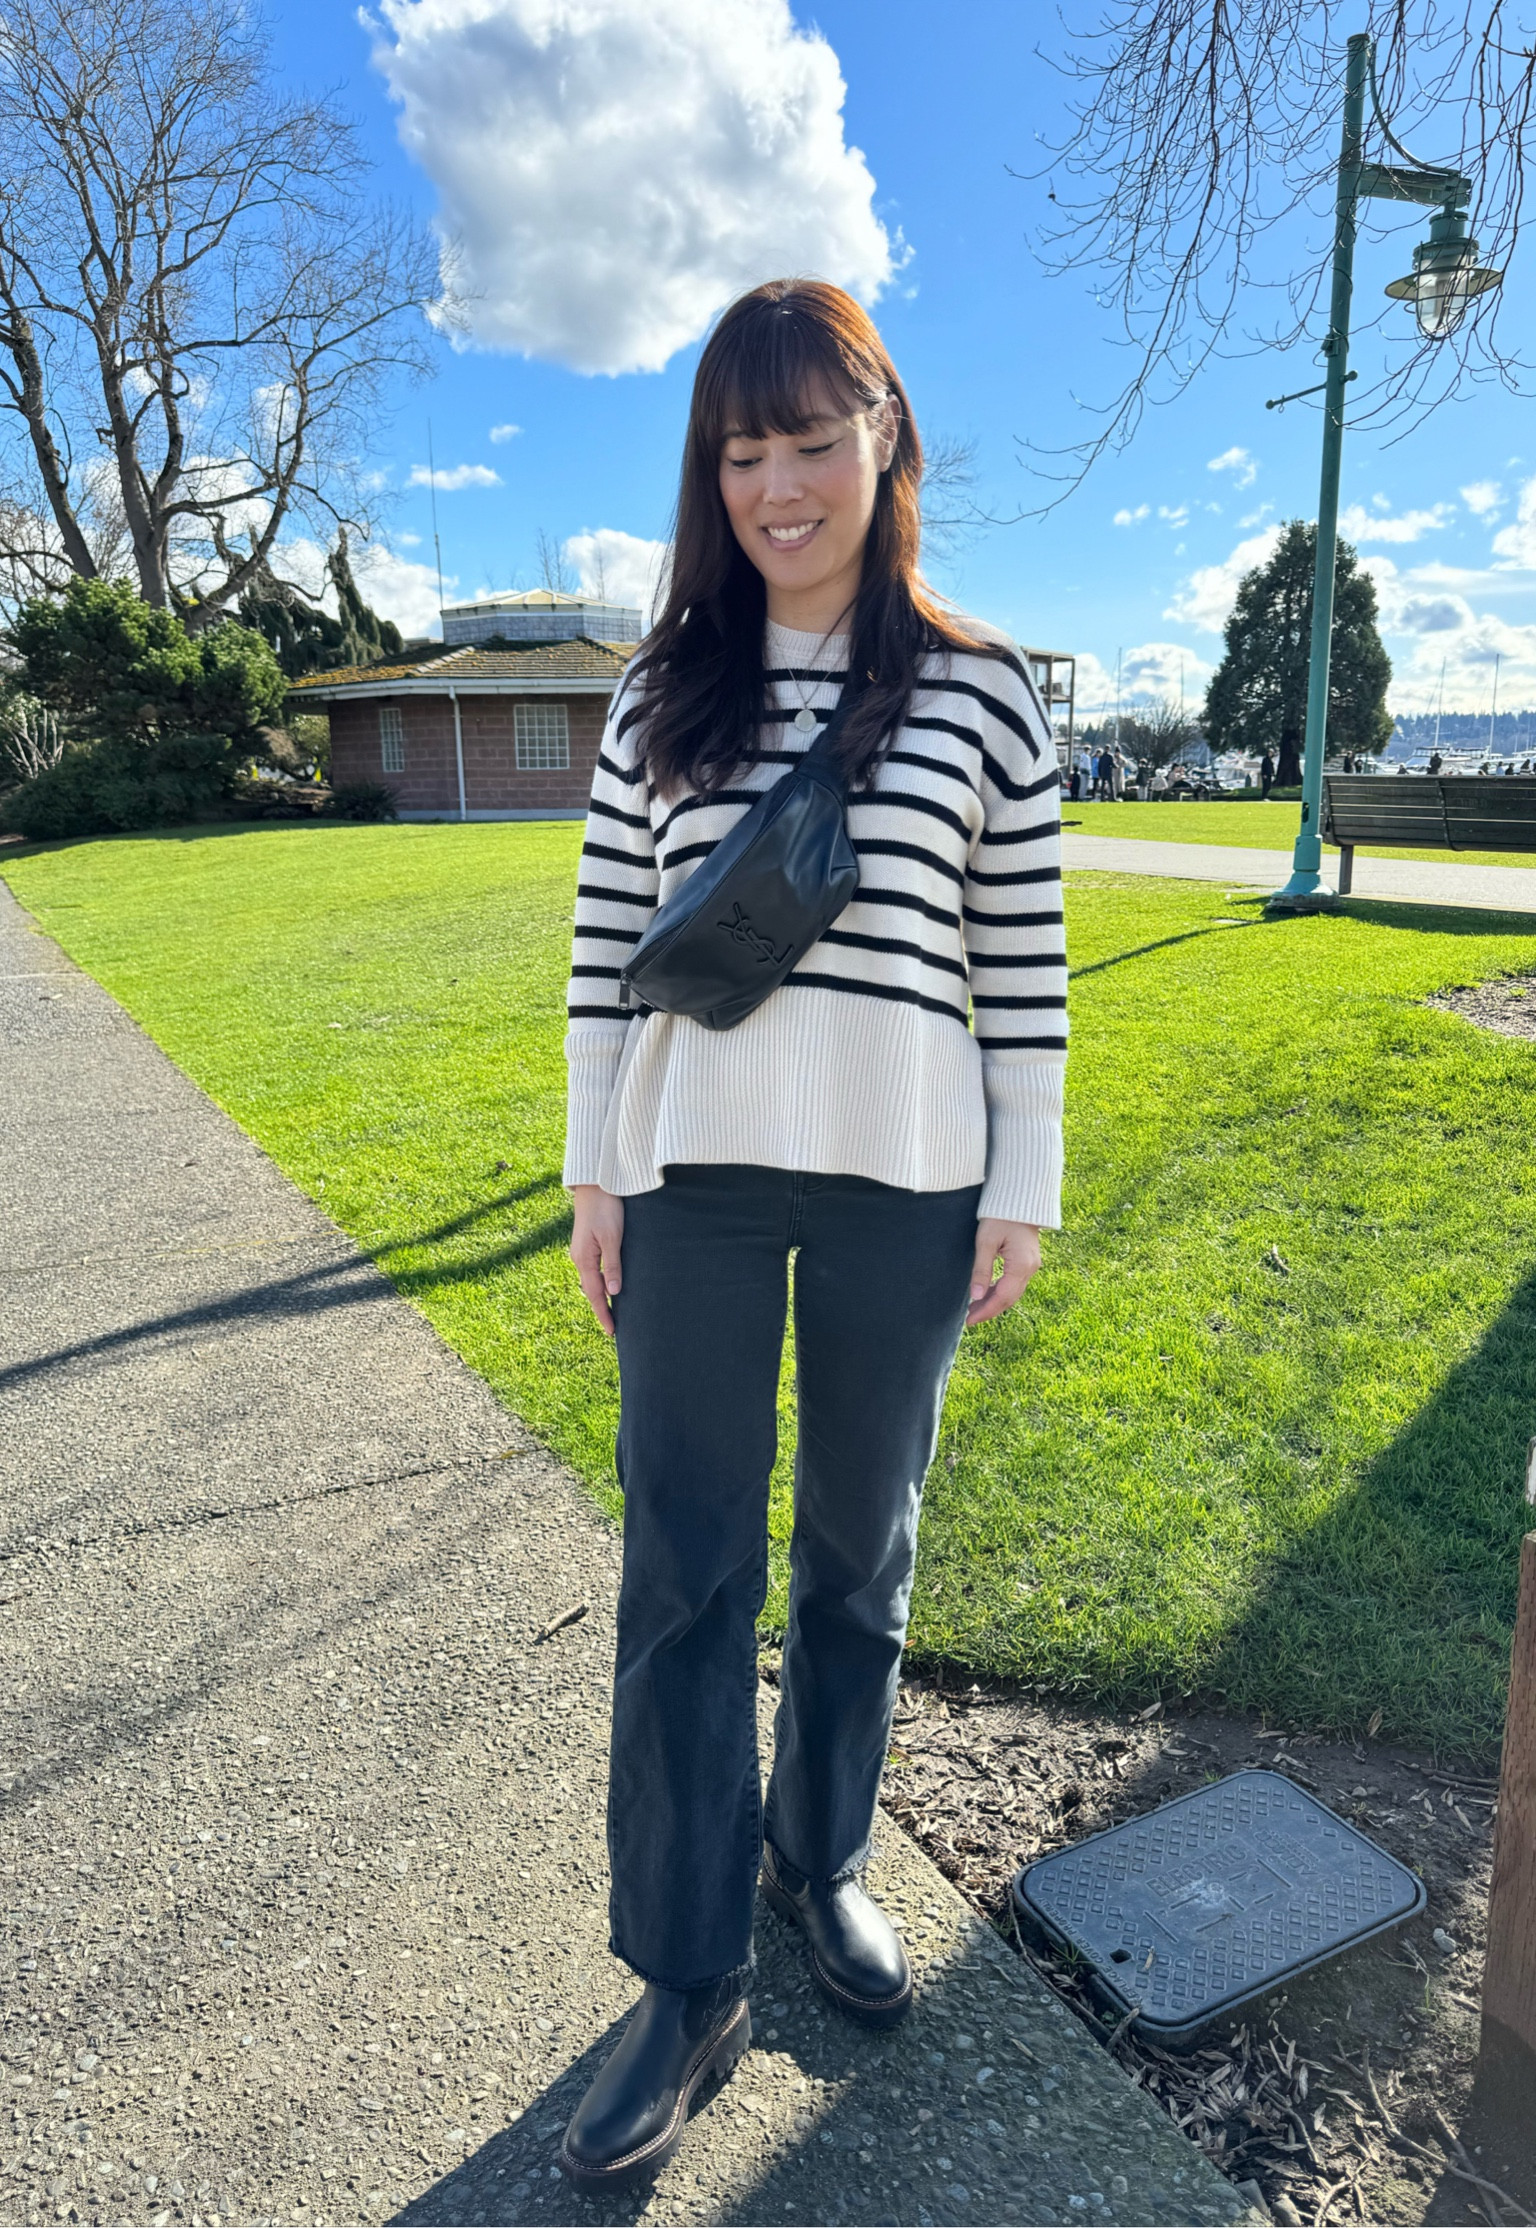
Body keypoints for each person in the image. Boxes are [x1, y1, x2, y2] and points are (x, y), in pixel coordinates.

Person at [558, 279, 1067, 2189]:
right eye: (741, 450)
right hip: (690, 1179)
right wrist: (597, 1172)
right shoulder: (653, 692)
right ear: (713, 471)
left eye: (811, 440)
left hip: (905, 1181)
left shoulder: (983, 692)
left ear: (888, 440)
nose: (778, 484)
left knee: (863, 1549)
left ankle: (820, 1856)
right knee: (687, 1572)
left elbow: (1021, 963)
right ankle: (688, 1981)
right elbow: (609, 957)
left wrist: (1021, 1183)